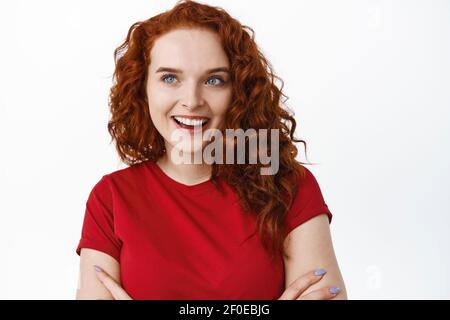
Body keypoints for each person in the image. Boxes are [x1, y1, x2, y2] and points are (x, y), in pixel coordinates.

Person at [75, 0, 347, 300]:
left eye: (214, 80)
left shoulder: (290, 187)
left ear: (238, 92)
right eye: (170, 78)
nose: (191, 100)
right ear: (143, 88)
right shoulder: (111, 199)